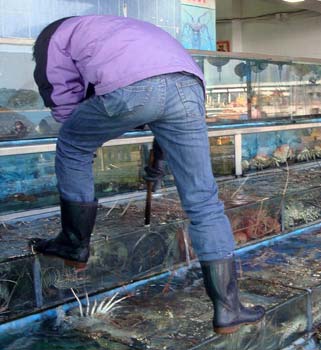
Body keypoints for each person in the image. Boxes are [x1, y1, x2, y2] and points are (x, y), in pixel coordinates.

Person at [29, 15, 264, 335]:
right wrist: (157, 163)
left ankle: (74, 244)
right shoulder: (129, 30)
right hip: (189, 86)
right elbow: (165, 100)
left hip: (133, 87)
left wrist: (85, 136)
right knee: (204, 200)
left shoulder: (53, 36)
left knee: (72, 145)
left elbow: (62, 96)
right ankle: (228, 308)